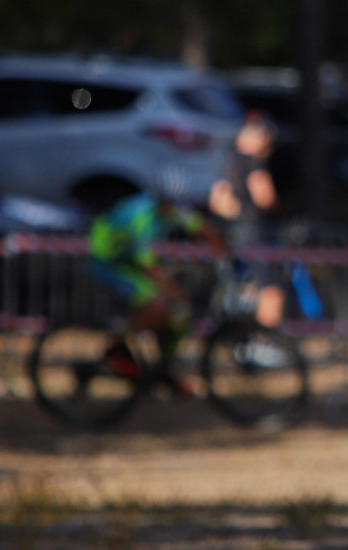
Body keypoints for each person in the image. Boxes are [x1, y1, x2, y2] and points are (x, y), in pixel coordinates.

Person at [88, 186, 212, 369]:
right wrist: (175, 292)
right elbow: (146, 264)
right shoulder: (141, 216)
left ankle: (164, 367)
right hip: (108, 264)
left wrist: (222, 245)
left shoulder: (173, 209)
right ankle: (117, 342)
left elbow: (198, 225)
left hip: (128, 262)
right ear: (161, 203)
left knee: (172, 317)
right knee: (157, 305)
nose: (174, 211)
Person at [209, 112, 284, 329]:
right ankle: (265, 338)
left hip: (232, 234)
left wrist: (234, 214)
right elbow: (264, 196)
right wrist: (274, 207)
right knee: (270, 289)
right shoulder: (254, 162)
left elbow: (217, 202)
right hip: (254, 232)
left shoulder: (229, 160)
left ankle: (242, 336)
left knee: (241, 287)